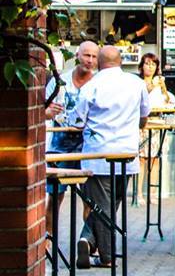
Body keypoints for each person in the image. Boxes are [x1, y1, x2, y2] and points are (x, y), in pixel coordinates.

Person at [68, 46, 150, 269]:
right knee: (111, 205)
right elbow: (144, 115)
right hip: (127, 154)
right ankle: (104, 253)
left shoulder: (91, 86)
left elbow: (76, 121)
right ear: (120, 61)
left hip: (98, 154)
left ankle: (96, 247)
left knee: (101, 207)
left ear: (99, 63)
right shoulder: (136, 83)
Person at [45, 41, 98, 239]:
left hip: (89, 147)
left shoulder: (98, 83)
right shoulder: (60, 81)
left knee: (90, 199)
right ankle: (47, 241)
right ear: (77, 55)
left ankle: (89, 241)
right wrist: (48, 112)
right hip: (61, 146)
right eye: (86, 55)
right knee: (55, 196)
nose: (90, 60)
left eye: (94, 56)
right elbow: (42, 110)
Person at [136, 53, 175, 206]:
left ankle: (152, 192)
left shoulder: (159, 83)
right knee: (140, 159)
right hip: (142, 123)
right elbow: (143, 96)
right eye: (147, 63)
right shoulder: (137, 83)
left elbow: (168, 101)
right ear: (141, 66)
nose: (150, 67)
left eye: (153, 64)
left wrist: (163, 86)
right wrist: (154, 85)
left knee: (155, 159)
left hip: (157, 122)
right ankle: (138, 193)